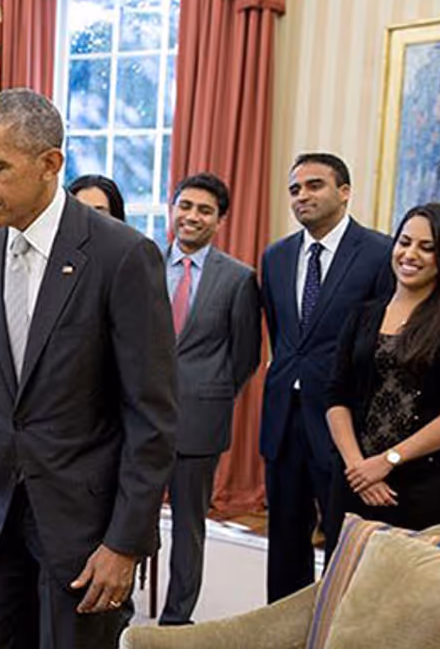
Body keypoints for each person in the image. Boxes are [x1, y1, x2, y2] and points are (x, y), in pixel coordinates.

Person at [0, 88, 177, 649]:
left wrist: (125, 543)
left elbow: (150, 416)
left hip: (86, 535)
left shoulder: (121, 255)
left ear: (50, 164)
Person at [259, 152, 394, 603]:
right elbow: (283, 336)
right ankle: (284, 627)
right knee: (284, 543)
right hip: (284, 419)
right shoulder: (276, 256)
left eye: (314, 185)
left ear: (344, 191)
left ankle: (337, 627)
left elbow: (383, 343)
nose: (302, 196)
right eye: (295, 188)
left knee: (343, 542)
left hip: (344, 422)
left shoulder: (378, 253)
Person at [325, 203, 440, 530]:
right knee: (346, 580)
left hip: (426, 488)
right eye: (404, 242)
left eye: (426, 248)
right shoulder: (362, 315)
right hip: (355, 481)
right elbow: (336, 395)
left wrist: (388, 461)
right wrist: (360, 468)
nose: (410, 254)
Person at [157, 173, 261, 626]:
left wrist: (209, 392)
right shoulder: (141, 262)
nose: (192, 217)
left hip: (200, 421)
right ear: (171, 209)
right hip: (136, 417)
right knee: (127, 520)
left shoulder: (239, 279)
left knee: (187, 528)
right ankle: (116, 608)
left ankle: (176, 619)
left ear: (220, 220)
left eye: (204, 210)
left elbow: (245, 357)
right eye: (186, 206)